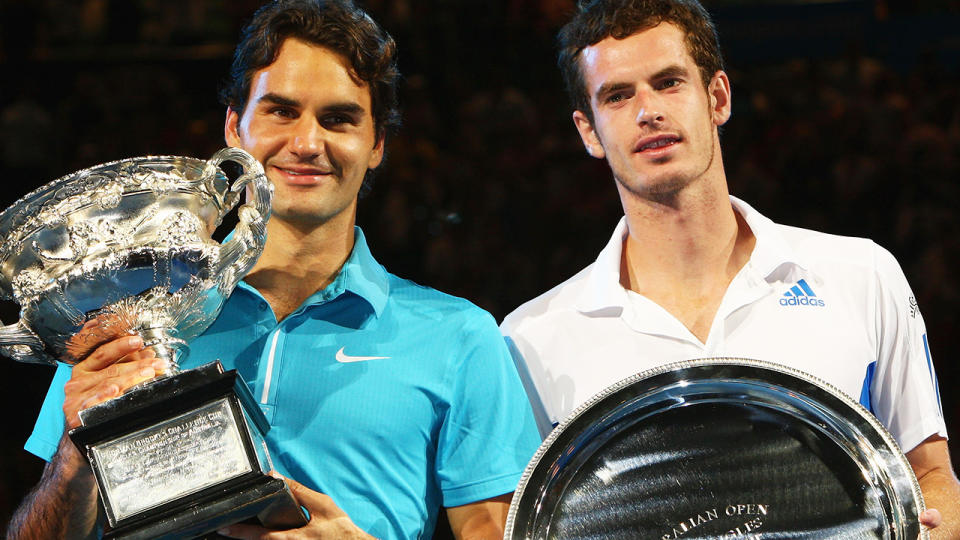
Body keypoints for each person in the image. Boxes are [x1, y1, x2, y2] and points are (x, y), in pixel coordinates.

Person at [7, 1, 540, 539]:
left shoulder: (461, 338)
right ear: (234, 128)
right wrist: (71, 461)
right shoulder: (122, 316)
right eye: (282, 111)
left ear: (376, 144)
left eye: (338, 119)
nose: (307, 144)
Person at [500, 0, 960, 537]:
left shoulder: (861, 274)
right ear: (589, 132)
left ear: (717, 97)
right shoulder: (531, 338)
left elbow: (932, 476)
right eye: (618, 95)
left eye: (668, 82)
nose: (647, 110)